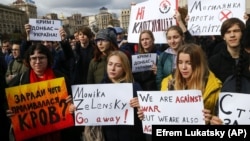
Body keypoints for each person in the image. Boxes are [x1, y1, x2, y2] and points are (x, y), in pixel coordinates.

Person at [69, 50, 146, 141]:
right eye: (110, 64)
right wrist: (75, 109)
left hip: (131, 136)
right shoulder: (98, 89)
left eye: (118, 65)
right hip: (107, 136)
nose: (112, 68)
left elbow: (147, 116)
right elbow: (89, 114)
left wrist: (142, 109)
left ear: (125, 68)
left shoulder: (134, 87)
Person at [6, 43, 73, 141]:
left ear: (48, 59)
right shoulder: (19, 80)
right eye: (33, 58)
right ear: (29, 60)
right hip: (31, 135)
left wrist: (71, 106)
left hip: (58, 134)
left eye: (41, 58)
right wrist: (9, 111)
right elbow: (6, 101)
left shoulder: (61, 78)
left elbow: (73, 102)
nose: (37, 61)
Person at [161, 43, 222, 124]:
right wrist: (147, 114)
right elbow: (162, 112)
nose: (183, 67)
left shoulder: (214, 87)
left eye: (189, 63)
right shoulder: (167, 83)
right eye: (180, 62)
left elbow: (220, 119)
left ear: (198, 64)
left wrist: (211, 121)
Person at [85, 27, 118, 141]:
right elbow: (89, 86)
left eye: (103, 40)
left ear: (111, 41)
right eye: (97, 40)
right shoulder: (94, 62)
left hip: (118, 106)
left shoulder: (121, 59)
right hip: (100, 107)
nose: (100, 43)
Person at [156, 9, 194, 90]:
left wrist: (180, 21)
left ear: (182, 37)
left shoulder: (191, 52)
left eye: (175, 37)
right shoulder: (163, 56)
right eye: (169, 38)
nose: (172, 41)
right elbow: (159, 79)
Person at [209, 17, 250, 83]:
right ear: (223, 37)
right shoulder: (214, 62)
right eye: (228, 32)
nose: (232, 35)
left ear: (243, 34)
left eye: (236, 31)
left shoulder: (248, 58)